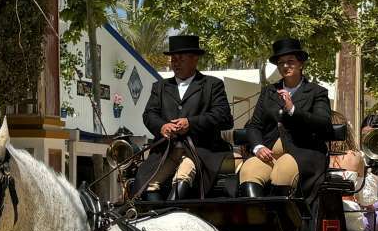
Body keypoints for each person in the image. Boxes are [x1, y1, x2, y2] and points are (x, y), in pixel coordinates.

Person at [137, 34, 234, 201]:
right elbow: (149, 114)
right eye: (173, 59)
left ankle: (173, 211)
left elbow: (224, 117)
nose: (175, 63)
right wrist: (162, 127)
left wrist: (191, 123)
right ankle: (158, 214)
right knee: (146, 183)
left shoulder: (212, 85)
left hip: (200, 150)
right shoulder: (160, 87)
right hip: (167, 150)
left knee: (183, 176)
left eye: (181, 59)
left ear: (195, 59)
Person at [240, 38, 333, 200]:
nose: (285, 66)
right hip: (270, 154)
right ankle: (257, 214)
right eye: (281, 63)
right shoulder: (269, 92)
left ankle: (280, 216)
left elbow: (323, 124)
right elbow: (254, 126)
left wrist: (292, 110)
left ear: (300, 64)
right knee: (249, 170)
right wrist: (258, 147)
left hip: (303, 153)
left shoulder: (316, 92)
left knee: (282, 172)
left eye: (290, 61)